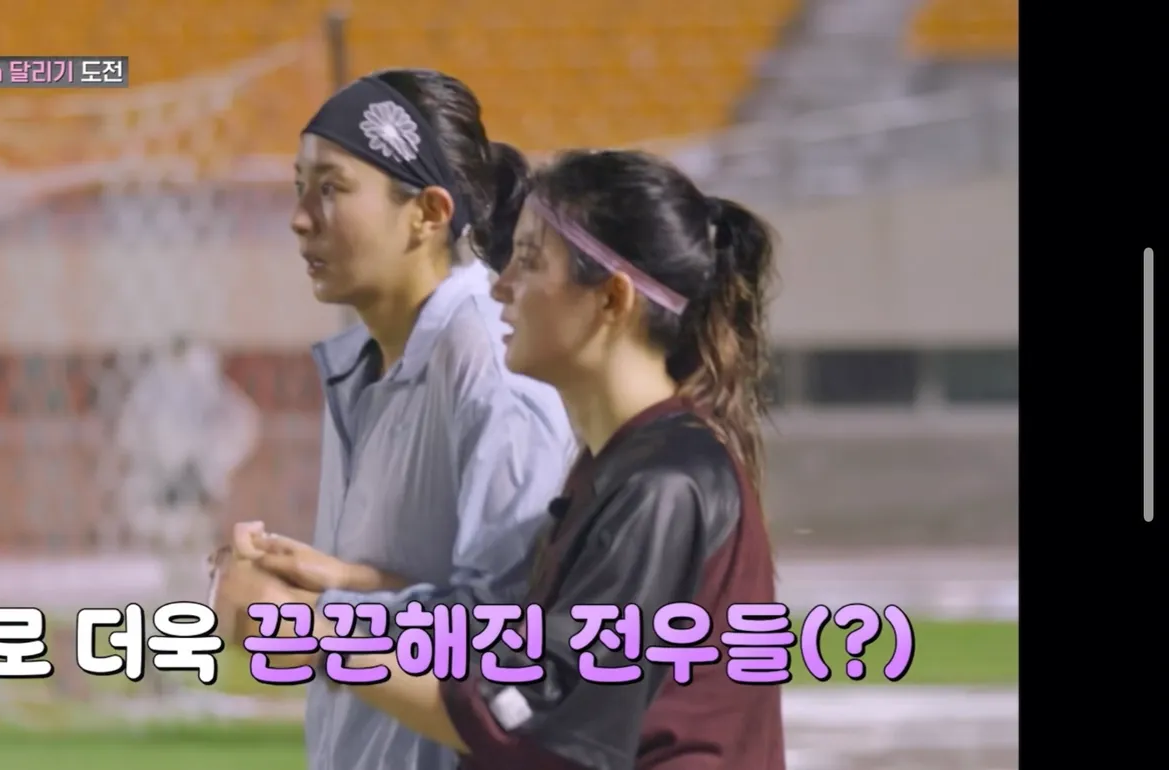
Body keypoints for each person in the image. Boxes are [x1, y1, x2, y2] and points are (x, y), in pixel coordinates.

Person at [217, 149, 786, 770]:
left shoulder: (664, 484)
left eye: (531, 260)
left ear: (612, 299)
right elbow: (512, 643)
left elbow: (537, 721)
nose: (500, 285)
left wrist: (315, 635)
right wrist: (342, 584)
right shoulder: (623, 464)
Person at [215, 69, 576, 770]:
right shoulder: (366, 360)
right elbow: (431, 592)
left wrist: (303, 619)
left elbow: (510, 635)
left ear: (428, 212)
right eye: (298, 186)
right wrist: (325, 581)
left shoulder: (491, 365)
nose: (299, 217)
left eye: (331, 188)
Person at [115, 335, 260, 575]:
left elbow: (241, 425)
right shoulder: (155, 383)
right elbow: (131, 430)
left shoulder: (207, 382)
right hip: (165, 477)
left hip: (196, 476)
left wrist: (211, 465)